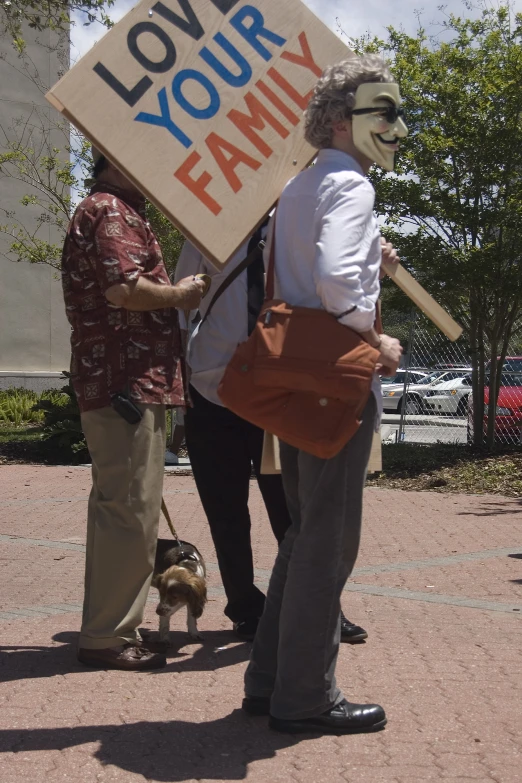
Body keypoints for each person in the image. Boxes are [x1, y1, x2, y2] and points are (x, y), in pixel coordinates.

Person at [242, 55, 405, 734]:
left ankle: (271, 679)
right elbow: (339, 282)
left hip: (296, 372)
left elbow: (305, 272)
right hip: (338, 378)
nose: (397, 127)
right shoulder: (354, 188)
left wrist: (370, 258)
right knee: (328, 541)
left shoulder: (300, 185)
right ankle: (305, 694)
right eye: (384, 112)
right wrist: (376, 341)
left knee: (304, 533)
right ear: (343, 121)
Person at [175, 226, 396, 642]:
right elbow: (180, 307)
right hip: (211, 385)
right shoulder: (207, 223)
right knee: (225, 512)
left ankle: (320, 607)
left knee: (294, 510)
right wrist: (176, 379)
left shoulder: (298, 219)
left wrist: (373, 267)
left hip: (280, 388)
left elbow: (332, 293)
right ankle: (246, 608)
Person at [61, 148, 205, 671]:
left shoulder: (106, 209)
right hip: (127, 383)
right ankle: (108, 638)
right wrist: (180, 294)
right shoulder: (113, 211)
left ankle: (108, 626)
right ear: (119, 157)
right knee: (130, 512)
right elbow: (124, 290)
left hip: (120, 381)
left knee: (118, 510)